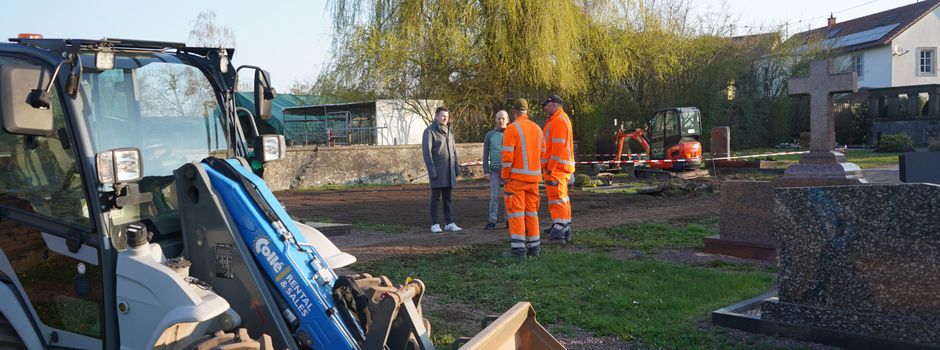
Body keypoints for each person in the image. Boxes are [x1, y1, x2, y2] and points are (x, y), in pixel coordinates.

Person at [501, 99, 543, 258]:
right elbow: (543, 153)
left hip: (516, 180)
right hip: (534, 180)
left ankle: (518, 250)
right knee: (532, 213)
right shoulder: (537, 128)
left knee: (516, 213)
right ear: (527, 111)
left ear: (514, 112)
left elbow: (507, 157)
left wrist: (505, 176)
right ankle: (534, 248)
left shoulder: (511, 128)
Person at [540, 94, 575, 243]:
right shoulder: (559, 119)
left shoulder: (558, 120)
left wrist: (550, 167)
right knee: (562, 198)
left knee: (557, 199)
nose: (544, 108)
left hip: (556, 169)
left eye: (546, 105)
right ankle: (563, 226)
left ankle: (559, 229)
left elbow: (557, 147)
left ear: (554, 105)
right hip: (560, 167)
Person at [422, 106, 462, 233]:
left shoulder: (449, 132)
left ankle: (449, 223)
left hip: (449, 172)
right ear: (436, 116)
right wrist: (432, 172)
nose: (445, 118)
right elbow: (427, 154)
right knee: (435, 198)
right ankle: (435, 224)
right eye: (442, 116)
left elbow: (454, 153)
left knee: (447, 199)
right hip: (437, 173)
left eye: (447, 116)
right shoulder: (429, 132)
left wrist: (456, 170)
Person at [482, 110, 509, 230]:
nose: (501, 120)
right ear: (495, 119)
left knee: (508, 196)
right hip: (495, 171)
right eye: (499, 118)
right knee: (494, 196)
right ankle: (492, 221)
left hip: (509, 171)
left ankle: (509, 220)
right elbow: (485, 153)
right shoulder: (490, 135)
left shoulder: (512, 133)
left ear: (507, 120)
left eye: (503, 118)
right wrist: (486, 170)